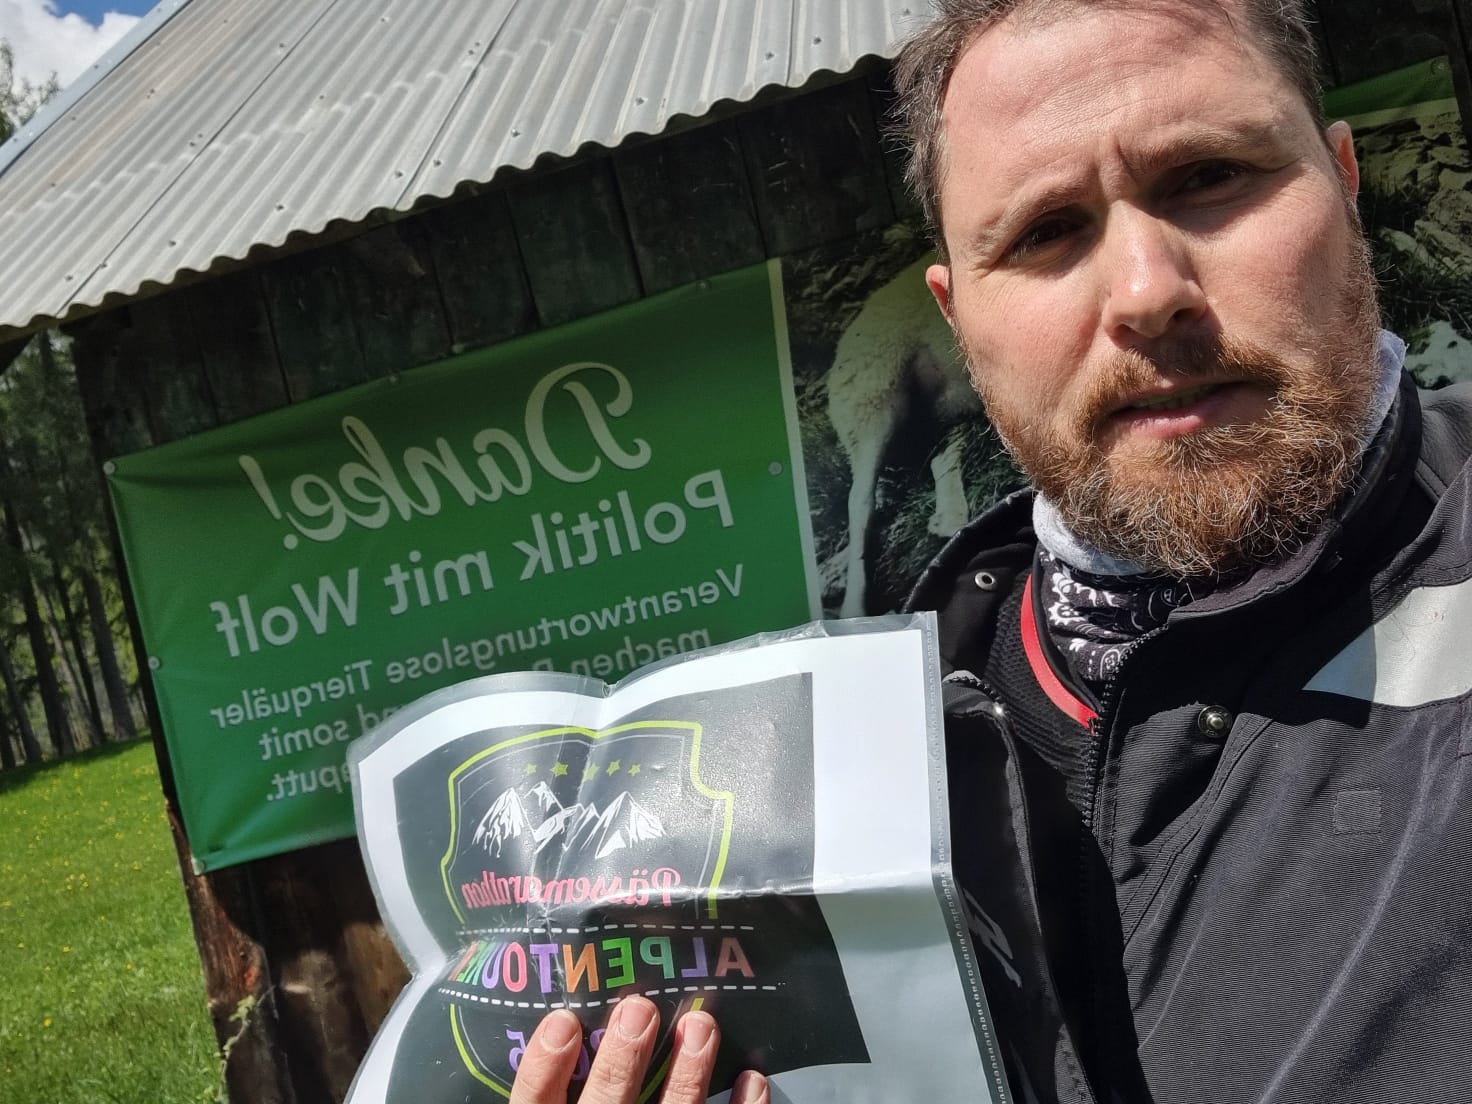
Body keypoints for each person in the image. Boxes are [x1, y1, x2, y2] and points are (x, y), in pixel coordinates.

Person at [508, 1, 1472, 1101]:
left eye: (1208, 176)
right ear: (956, 318)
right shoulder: (875, 765)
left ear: (1342, 181)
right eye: (1046, 232)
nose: (1148, 292)